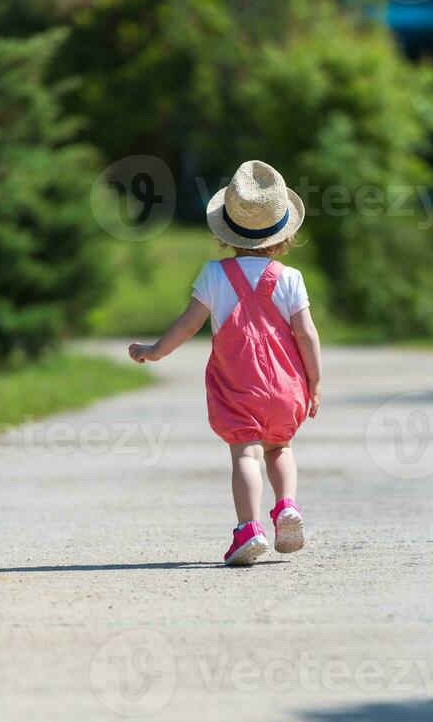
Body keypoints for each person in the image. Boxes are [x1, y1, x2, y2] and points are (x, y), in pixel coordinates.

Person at [129, 160, 322, 566]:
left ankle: (249, 530)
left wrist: (155, 351)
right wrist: (314, 383)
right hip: (285, 386)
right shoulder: (289, 278)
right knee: (280, 447)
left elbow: (187, 325)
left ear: (228, 232)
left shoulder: (214, 276)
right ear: (281, 234)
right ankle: (287, 506)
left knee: (246, 455)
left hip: (239, 386)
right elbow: (306, 334)